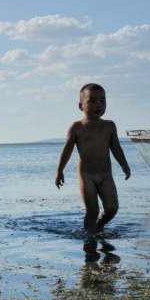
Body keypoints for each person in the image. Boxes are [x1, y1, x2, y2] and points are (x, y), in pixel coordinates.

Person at [55, 83, 131, 234]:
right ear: (81, 106)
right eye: (92, 101)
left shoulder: (109, 126)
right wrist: (59, 171)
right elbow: (67, 150)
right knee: (92, 210)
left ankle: (99, 225)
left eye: (102, 101)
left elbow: (116, 147)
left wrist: (124, 164)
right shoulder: (77, 127)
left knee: (112, 208)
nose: (99, 104)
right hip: (86, 175)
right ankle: (89, 239)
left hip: (105, 175)